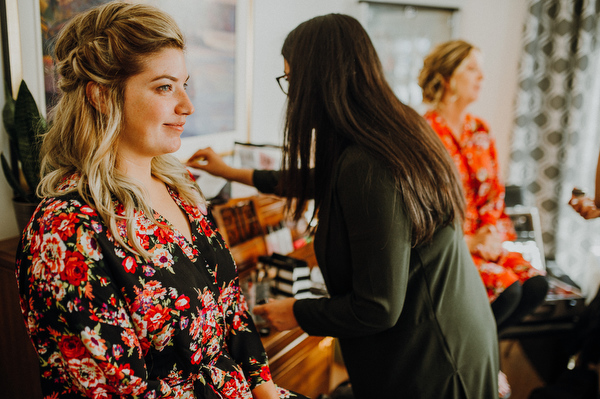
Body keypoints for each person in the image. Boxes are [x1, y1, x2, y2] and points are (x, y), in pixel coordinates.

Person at [188, 14, 500, 398]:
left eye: (291, 81)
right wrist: (232, 172)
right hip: (457, 333)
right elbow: (317, 179)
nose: (292, 96)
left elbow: (378, 307)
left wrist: (298, 314)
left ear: (317, 82)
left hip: (434, 362)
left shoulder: (368, 164)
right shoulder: (394, 131)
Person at [15, 3, 307, 398]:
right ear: (101, 96)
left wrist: (263, 384)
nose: (187, 106)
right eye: (164, 87)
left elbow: (230, 303)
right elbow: (118, 389)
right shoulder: (66, 230)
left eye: (185, 84)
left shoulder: (179, 188)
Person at [418, 40, 549, 333]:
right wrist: (469, 242)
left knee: (536, 284)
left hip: (484, 242)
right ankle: (471, 357)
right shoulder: (422, 134)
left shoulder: (480, 130)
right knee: (507, 289)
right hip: (446, 247)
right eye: (472, 69)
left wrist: (489, 234)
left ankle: (476, 352)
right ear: (446, 78)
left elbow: (493, 198)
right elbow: (421, 208)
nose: (482, 77)